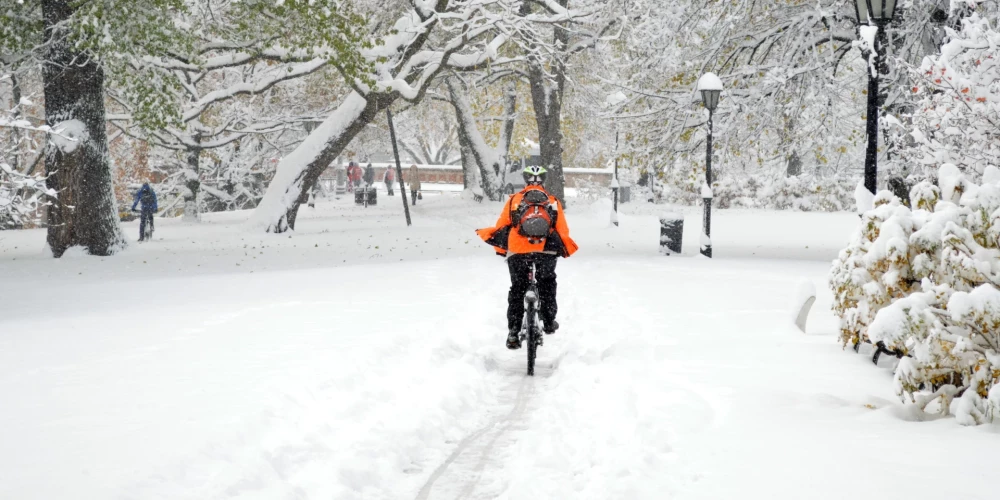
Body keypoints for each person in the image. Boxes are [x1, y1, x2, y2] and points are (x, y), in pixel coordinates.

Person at [475, 166, 578, 349]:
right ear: (543, 182)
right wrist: (562, 249)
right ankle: (548, 321)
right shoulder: (552, 201)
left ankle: (514, 332)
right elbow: (562, 230)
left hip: (518, 250)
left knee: (518, 288)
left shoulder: (514, 200)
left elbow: (502, 226)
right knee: (547, 282)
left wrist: (502, 250)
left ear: (525, 181)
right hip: (546, 249)